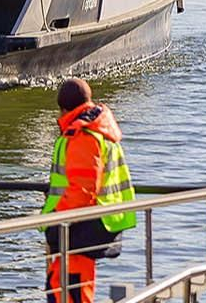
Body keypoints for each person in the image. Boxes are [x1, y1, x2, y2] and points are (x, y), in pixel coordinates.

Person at [42, 78, 137, 303]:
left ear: (64, 108)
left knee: (67, 286)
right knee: (72, 284)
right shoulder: (99, 130)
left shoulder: (82, 134)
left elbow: (82, 189)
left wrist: (56, 221)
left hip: (80, 224)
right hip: (98, 220)